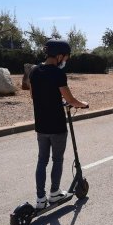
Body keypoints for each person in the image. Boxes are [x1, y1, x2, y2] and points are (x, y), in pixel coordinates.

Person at [29, 39, 88, 209]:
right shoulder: (57, 74)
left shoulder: (34, 71)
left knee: (42, 161)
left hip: (41, 125)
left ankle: (40, 198)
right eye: (66, 58)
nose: (65, 61)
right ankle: (54, 193)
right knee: (57, 159)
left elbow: (34, 96)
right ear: (59, 56)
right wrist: (82, 104)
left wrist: (53, 99)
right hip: (56, 125)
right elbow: (70, 99)